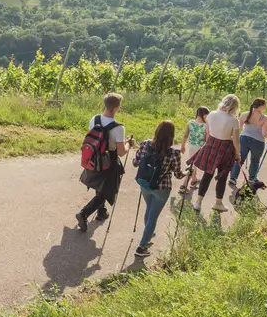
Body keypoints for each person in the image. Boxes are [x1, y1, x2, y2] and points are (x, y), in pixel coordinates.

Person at [76, 93, 134, 232]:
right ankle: (84, 213)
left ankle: (101, 212)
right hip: (109, 160)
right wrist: (129, 144)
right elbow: (121, 152)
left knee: (100, 185)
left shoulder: (94, 119)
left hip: (94, 157)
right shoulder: (118, 128)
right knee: (107, 190)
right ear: (116, 108)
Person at [131, 120, 185, 257]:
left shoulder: (145, 144)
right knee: (153, 216)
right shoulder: (174, 153)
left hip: (144, 183)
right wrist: (186, 173)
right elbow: (178, 175)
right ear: (172, 135)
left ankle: (149, 233)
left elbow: (135, 163)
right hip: (162, 188)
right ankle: (142, 247)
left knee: (149, 210)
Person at [188, 94, 240, 214]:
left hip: (211, 145)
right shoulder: (234, 121)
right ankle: (218, 203)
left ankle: (198, 203)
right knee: (222, 177)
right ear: (235, 106)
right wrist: (238, 154)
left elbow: (208, 131)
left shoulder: (211, 114)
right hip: (226, 149)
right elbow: (236, 141)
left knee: (207, 175)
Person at [230, 97, 267, 197]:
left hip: (244, 138)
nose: (265, 107)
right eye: (264, 105)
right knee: (255, 160)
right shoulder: (265, 118)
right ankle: (252, 178)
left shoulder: (244, 114)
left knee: (239, 158)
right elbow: (265, 134)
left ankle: (233, 177)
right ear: (260, 106)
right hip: (257, 141)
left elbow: (239, 128)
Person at [177, 105, 209, 194]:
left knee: (193, 165)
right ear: (204, 115)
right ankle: (183, 186)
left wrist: (183, 146)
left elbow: (185, 135)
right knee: (193, 166)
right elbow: (207, 140)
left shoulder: (190, 122)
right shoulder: (206, 125)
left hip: (191, 146)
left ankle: (194, 181)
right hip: (200, 148)